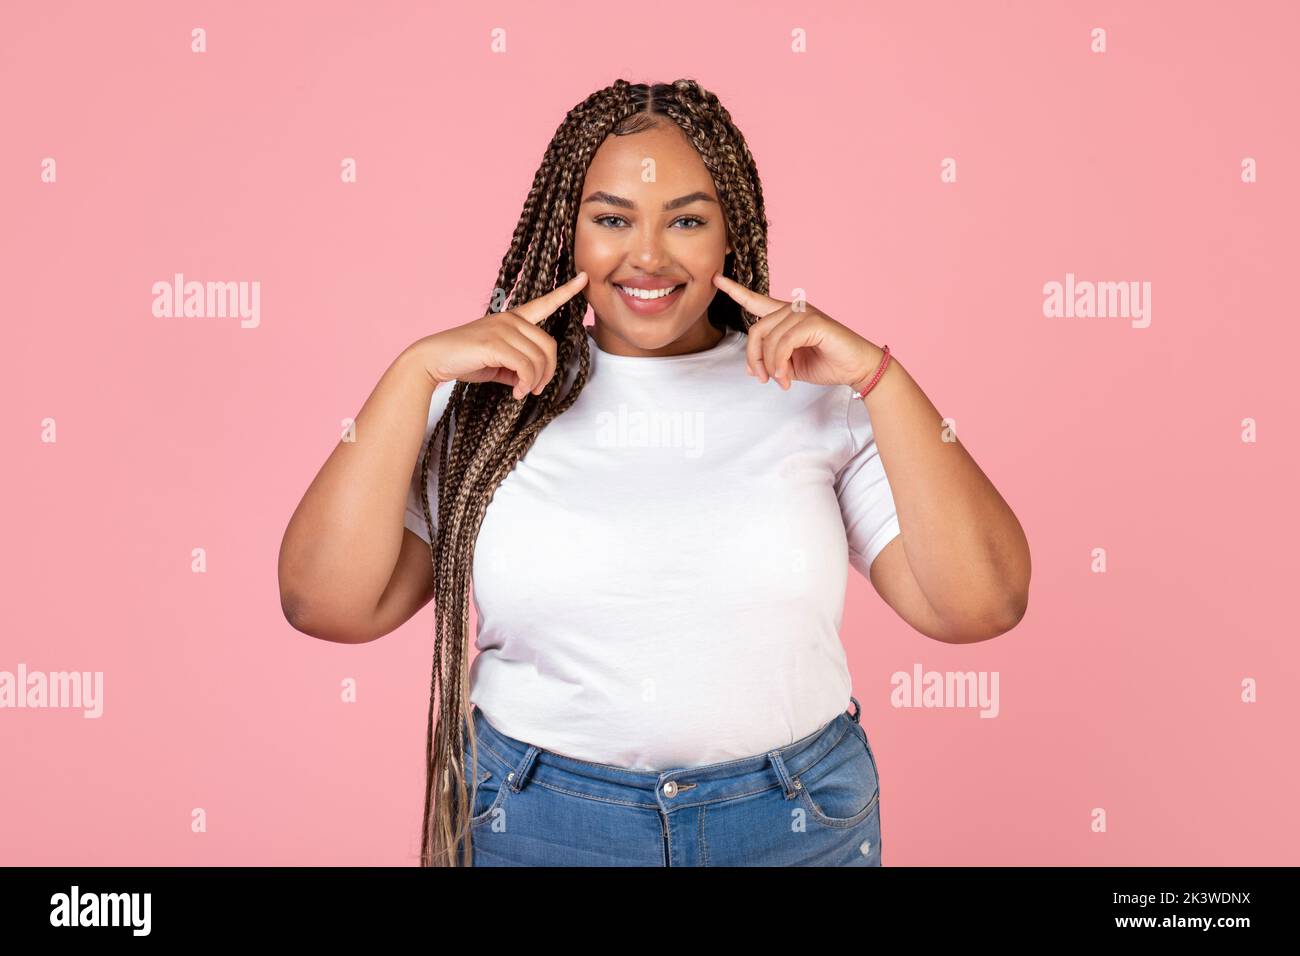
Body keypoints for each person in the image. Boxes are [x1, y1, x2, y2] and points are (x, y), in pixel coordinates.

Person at [278, 78, 1031, 867]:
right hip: (536, 827)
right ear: (568, 233)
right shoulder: (489, 406)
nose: (647, 254)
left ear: (728, 233)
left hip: (791, 826)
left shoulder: (819, 395)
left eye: (687, 220)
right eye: (611, 219)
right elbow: (326, 602)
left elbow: (981, 604)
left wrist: (882, 378)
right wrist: (412, 373)